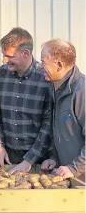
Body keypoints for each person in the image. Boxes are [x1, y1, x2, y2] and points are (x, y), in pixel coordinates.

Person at [0, 27, 51, 173]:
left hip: (39, 159)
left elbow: (48, 125)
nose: (5, 60)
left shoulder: (45, 78)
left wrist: (29, 160)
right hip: (8, 156)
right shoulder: (1, 75)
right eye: (3, 55)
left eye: (9, 56)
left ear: (26, 53)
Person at [40, 39, 85, 180]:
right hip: (68, 175)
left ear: (59, 65)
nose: (40, 67)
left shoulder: (81, 92)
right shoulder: (55, 87)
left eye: (43, 62)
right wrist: (55, 158)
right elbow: (61, 130)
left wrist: (74, 167)